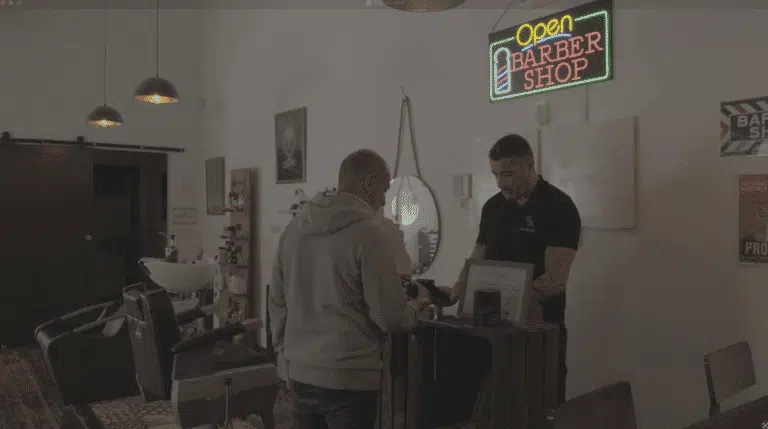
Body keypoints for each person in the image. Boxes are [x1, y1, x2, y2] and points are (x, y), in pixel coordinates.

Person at [269, 149, 430, 429]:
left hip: (301, 373)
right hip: (350, 377)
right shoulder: (370, 234)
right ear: (369, 185)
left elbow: (277, 302)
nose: (383, 201)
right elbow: (390, 318)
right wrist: (416, 309)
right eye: (383, 190)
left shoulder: (293, 230)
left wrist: (285, 353)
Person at [442, 133, 581, 404]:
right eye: (495, 174)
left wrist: (510, 300)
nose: (500, 183)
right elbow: (478, 256)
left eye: (507, 174)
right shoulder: (493, 207)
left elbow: (555, 281)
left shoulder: (559, 208)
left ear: (529, 165)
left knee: (537, 410)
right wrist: (458, 290)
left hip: (537, 334)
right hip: (492, 333)